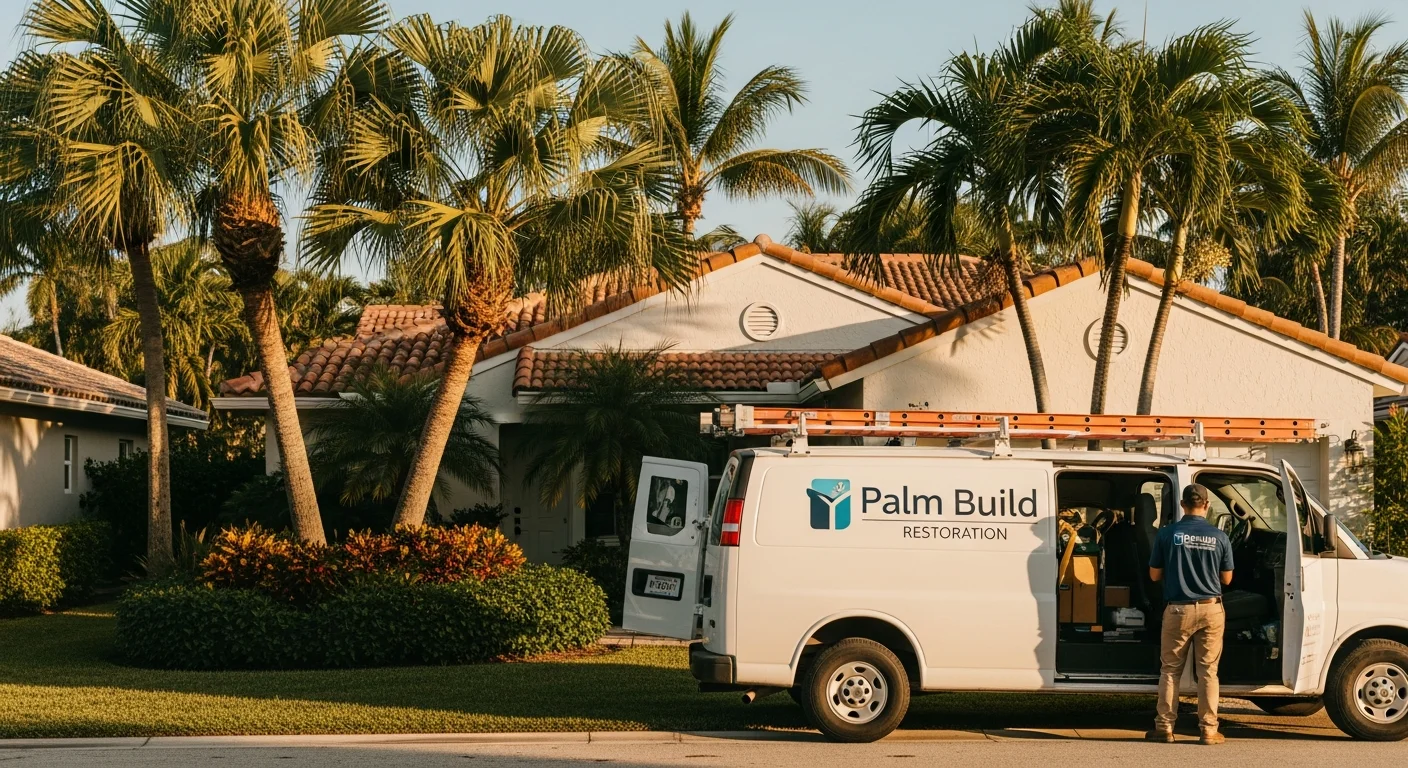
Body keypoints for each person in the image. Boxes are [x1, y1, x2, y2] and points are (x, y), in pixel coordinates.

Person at [1146, 483, 1234, 746]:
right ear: (1206, 505)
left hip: (1177, 610)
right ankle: (1208, 730)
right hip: (1211, 608)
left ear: (1182, 505)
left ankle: (1164, 727)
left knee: (1170, 671)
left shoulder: (1167, 534)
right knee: (1208, 672)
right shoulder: (1220, 536)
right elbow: (1227, 579)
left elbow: (1154, 575)